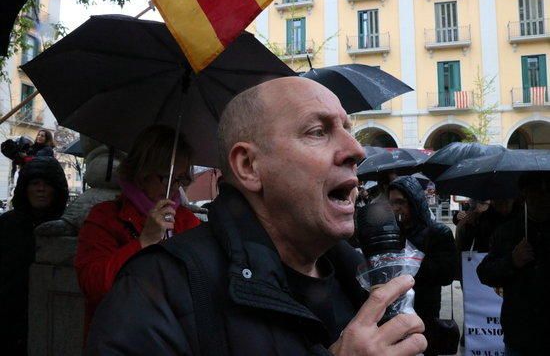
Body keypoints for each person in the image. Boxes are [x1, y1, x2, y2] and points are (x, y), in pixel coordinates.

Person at [85, 77, 427, 355]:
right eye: (318, 132)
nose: (357, 150)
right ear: (249, 166)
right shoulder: (159, 289)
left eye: (347, 129)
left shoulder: (356, 277)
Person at [74, 125, 201, 334]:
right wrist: (144, 242)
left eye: (179, 179)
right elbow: (93, 287)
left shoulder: (187, 222)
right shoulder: (105, 217)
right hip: (119, 338)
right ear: (142, 173)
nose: (173, 188)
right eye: (165, 177)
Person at [0, 157, 68, 355]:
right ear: (25, 188)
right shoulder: (7, 224)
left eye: (47, 184)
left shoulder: (65, 228)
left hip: (48, 318)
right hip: (8, 319)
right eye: (35, 183)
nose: (41, 189)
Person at [477, 173, 550, 355]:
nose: (542, 197)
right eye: (535, 192)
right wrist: (512, 261)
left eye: (546, 191)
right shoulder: (508, 232)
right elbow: (485, 273)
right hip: (520, 333)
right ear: (524, 195)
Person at [388, 176, 458, 356]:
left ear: (414, 201)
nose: (396, 208)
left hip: (425, 312)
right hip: (394, 312)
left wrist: (413, 262)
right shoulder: (393, 232)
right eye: (392, 203)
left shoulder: (438, 232)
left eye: (400, 202)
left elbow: (447, 274)